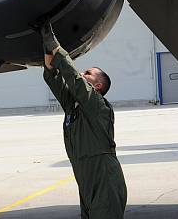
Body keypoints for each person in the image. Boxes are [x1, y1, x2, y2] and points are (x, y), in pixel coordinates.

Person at [40, 23, 127, 218]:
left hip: (105, 180)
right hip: (85, 180)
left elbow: (74, 80)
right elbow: (53, 77)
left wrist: (55, 45)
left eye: (87, 73)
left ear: (97, 86)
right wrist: (47, 48)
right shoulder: (74, 107)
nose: (81, 74)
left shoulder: (99, 107)